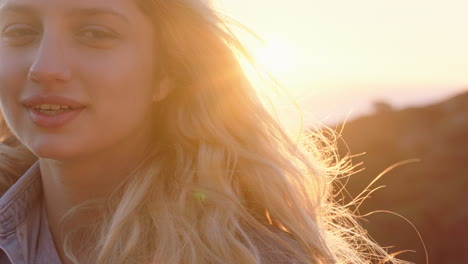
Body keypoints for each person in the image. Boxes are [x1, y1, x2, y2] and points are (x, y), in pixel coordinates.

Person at [0, 0, 410, 263]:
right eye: (19, 31)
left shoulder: (252, 258)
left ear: (167, 73)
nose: (44, 67)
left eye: (95, 33)